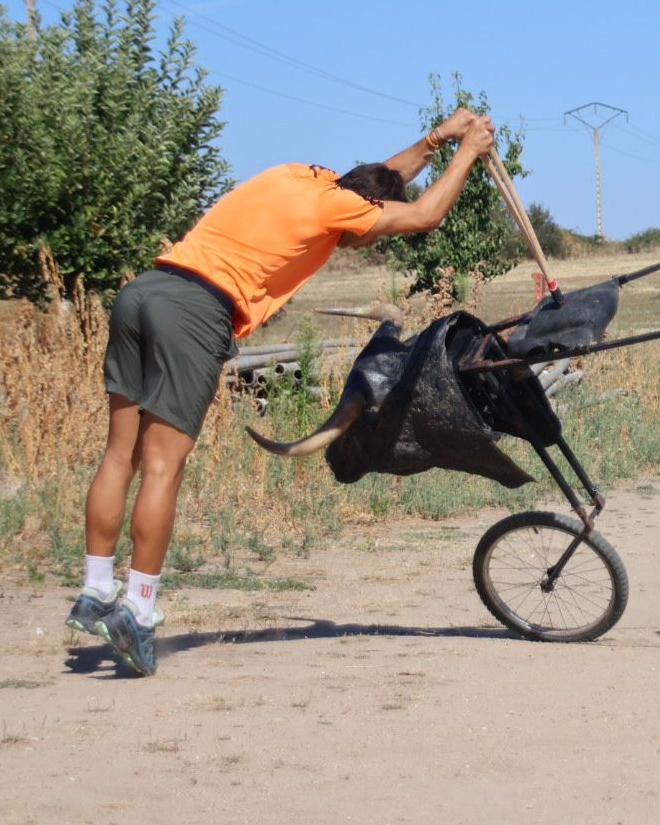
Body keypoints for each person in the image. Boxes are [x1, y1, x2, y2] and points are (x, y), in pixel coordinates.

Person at [66, 107, 497, 675]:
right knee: (162, 465)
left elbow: (380, 179)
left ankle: (95, 589)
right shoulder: (336, 211)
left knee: (120, 450)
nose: (352, 245)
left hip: (145, 289)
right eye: (357, 240)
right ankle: (138, 610)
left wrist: (438, 138)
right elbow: (420, 215)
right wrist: (469, 153)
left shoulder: (304, 176)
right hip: (194, 312)